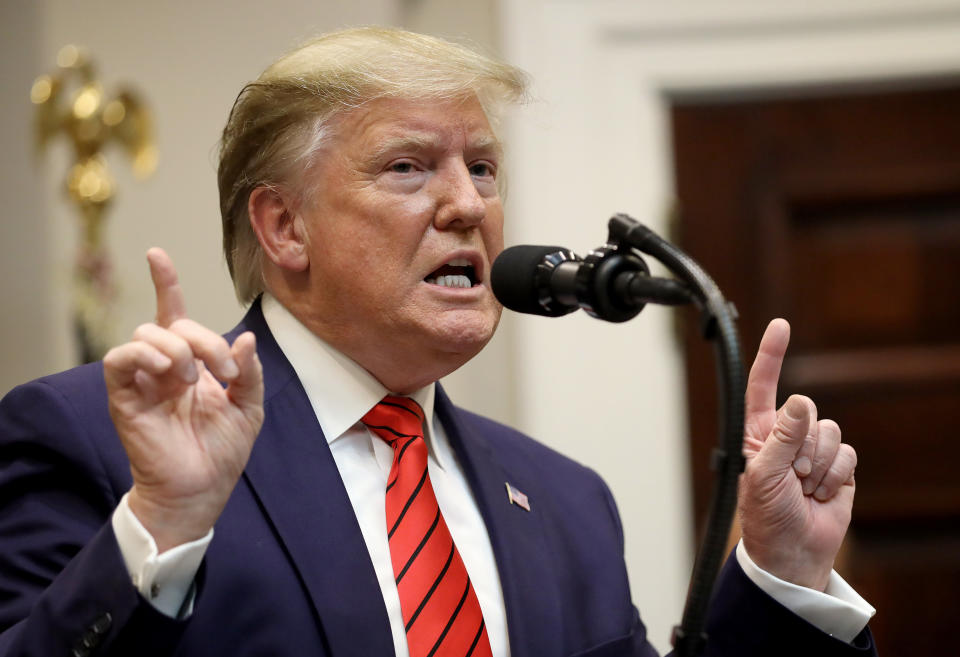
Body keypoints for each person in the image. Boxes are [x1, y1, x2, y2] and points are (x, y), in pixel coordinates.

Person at [0, 27, 876, 657]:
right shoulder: (98, 442)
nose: (468, 205)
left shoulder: (567, 503)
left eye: (483, 168)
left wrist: (784, 576)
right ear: (284, 227)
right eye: (408, 167)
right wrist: (165, 520)